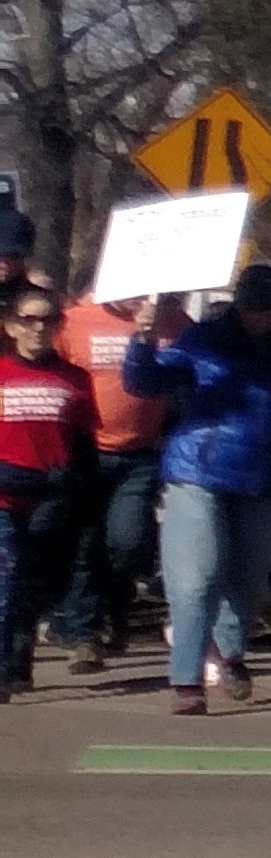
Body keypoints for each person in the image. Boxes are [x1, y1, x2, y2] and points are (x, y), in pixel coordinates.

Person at [125, 268, 271, 713]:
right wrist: (142, 340)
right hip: (197, 469)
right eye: (251, 308)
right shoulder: (203, 340)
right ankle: (186, 680)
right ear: (239, 303)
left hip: (265, 476)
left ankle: (229, 654)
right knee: (197, 576)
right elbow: (145, 382)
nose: (259, 318)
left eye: (268, 309)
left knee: (247, 578)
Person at [50, 286, 168, 679]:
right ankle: (84, 635)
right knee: (84, 544)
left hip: (140, 453)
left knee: (129, 541)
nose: (141, 297)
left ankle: (117, 603)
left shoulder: (173, 323)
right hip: (85, 449)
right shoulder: (74, 320)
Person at [0, 283, 96, 704]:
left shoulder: (74, 380)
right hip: (3, 497)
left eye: (47, 319)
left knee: (29, 586)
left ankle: (20, 661)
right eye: (28, 319)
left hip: (50, 498)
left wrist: (75, 484)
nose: (38, 327)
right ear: (10, 326)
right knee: (4, 581)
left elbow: (81, 441)